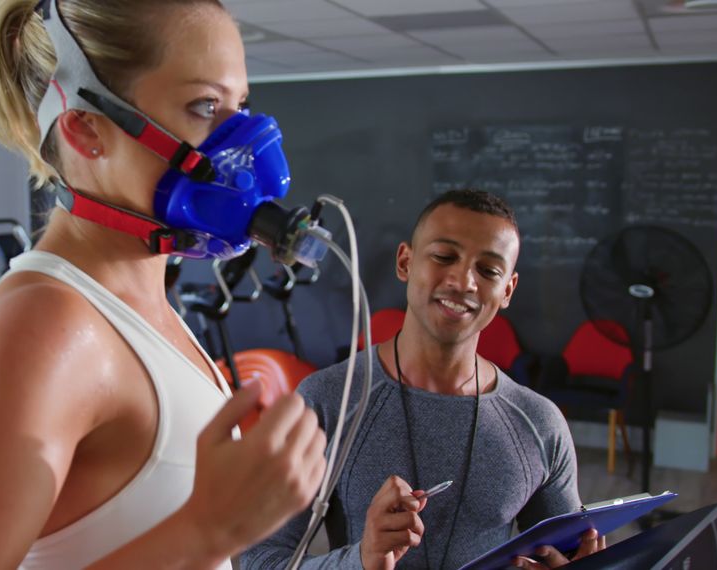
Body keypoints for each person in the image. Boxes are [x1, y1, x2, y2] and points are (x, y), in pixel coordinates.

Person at [0, 0, 327, 568]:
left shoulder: (111, 299)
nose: (244, 138)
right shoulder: (52, 323)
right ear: (87, 129)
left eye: (240, 105)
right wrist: (207, 529)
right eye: (204, 106)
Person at [241, 190, 605, 569]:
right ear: (405, 262)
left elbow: (562, 555)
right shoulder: (329, 400)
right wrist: (362, 561)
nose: (464, 281)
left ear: (507, 290)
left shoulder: (539, 423)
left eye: (488, 271)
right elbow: (258, 560)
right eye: (444, 257)